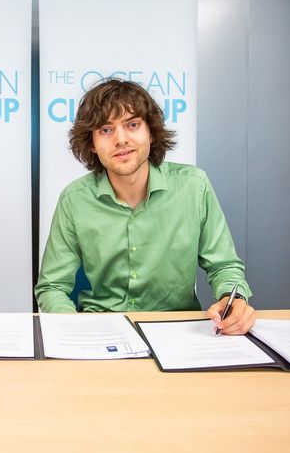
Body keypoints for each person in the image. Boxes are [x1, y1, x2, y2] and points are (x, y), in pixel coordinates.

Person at [34, 78, 255, 334]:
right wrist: (76, 329)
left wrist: (233, 299)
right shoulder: (74, 199)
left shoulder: (194, 186)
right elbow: (52, 287)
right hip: (101, 332)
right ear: (92, 143)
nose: (120, 139)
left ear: (150, 131)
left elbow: (224, 265)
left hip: (177, 332)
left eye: (132, 125)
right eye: (105, 129)